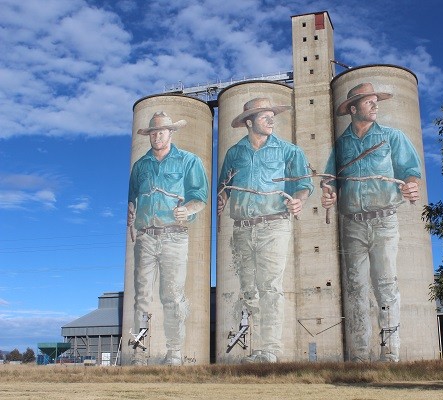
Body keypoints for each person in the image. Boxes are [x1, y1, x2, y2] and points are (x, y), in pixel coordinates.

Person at [321, 83, 422, 362]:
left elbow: (410, 171)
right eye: (369, 101)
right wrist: (329, 193)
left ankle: (390, 352)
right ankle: (360, 355)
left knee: (386, 285)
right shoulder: (341, 145)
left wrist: (410, 185)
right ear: (353, 109)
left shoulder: (392, 137)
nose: (375, 105)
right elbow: (330, 179)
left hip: (384, 221)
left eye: (376, 100)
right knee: (355, 288)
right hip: (352, 224)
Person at [217, 98, 313, 363]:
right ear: (249, 122)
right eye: (264, 116)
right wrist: (222, 199)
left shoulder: (289, 151)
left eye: (273, 115)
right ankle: (256, 347)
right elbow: (224, 187)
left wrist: (299, 200)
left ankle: (270, 349)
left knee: (269, 287)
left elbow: (304, 184)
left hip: (274, 225)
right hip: (241, 228)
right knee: (249, 289)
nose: (271, 120)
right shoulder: (234, 153)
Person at [128, 111, 209, 365]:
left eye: (161, 132)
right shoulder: (140, 166)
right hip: (145, 238)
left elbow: (200, 197)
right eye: (152, 132)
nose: (156, 136)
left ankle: (174, 353)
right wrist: (131, 218)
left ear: (171, 132)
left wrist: (188, 210)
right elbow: (132, 200)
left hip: (174, 237)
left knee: (172, 296)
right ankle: (139, 353)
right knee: (141, 297)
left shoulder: (189, 161)